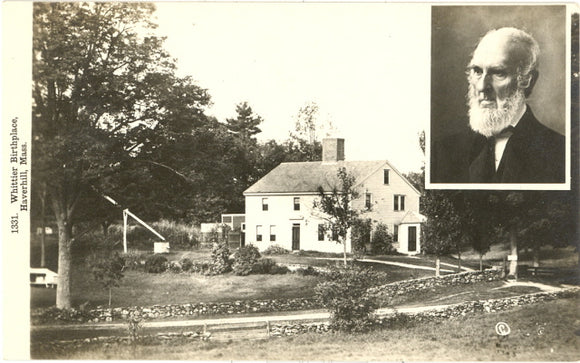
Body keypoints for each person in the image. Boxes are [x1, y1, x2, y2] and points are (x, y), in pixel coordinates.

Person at [431, 27, 565, 184]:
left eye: (498, 73)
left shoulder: (561, 153)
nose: (481, 86)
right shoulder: (443, 152)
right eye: (477, 71)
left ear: (527, 80)